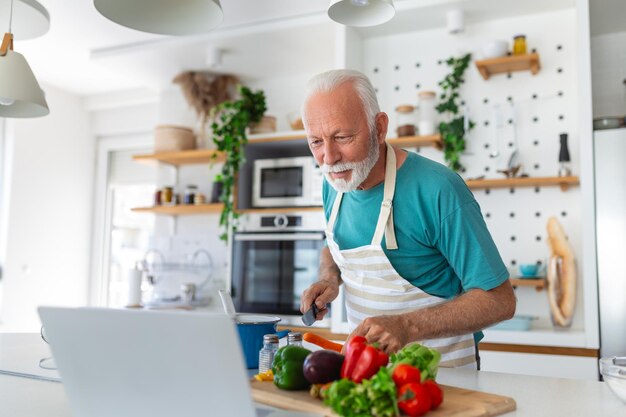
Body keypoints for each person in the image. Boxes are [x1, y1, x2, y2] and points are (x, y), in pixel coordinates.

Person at [299, 69, 516, 368]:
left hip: (443, 379)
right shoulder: (334, 184)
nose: (329, 157)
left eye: (342, 137)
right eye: (316, 142)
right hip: (365, 374)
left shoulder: (438, 189)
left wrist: (407, 327)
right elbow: (334, 245)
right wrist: (329, 277)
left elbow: (500, 300)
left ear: (379, 127)